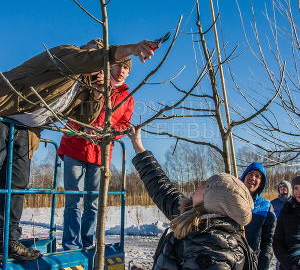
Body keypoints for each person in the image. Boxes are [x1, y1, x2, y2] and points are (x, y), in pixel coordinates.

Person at [0, 38, 155, 260]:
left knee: (16, 183)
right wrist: (127, 50)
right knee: (71, 199)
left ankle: (7, 240)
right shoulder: (66, 54)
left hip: (27, 130)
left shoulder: (86, 86)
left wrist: (98, 91)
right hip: (4, 113)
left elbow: (86, 117)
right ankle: (68, 242)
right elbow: (82, 61)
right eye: (111, 63)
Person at [128, 127, 254, 269]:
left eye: (206, 184)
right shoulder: (192, 218)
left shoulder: (213, 248)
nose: (200, 183)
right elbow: (161, 187)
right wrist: (138, 145)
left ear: (213, 200)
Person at [57, 58, 134, 250]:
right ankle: (71, 245)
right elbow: (72, 110)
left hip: (100, 152)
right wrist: (84, 128)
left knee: (93, 202)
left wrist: (107, 131)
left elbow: (124, 124)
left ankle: (88, 243)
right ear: (110, 66)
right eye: (119, 66)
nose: (122, 71)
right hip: (75, 145)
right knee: (74, 199)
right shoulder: (93, 83)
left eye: (126, 68)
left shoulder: (128, 97)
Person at [241, 162, 277, 270]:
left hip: (251, 263)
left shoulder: (266, 206)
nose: (253, 177)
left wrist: (263, 264)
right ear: (243, 177)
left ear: (261, 183)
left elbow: (269, 241)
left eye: (257, 176)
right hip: (228, 260)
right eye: (250, 174)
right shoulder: (230, 200)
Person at [273, 176, 300, 270]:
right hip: (288, 260)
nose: (298, 192)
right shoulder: (283, 208)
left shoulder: (290, 203)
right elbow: (277, 242)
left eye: (284, 186)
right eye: (296, 188)